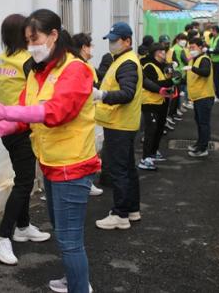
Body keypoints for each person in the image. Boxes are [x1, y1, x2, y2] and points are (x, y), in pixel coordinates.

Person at [0, 9, 99, 293]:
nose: (31, 46)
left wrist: (5, 110)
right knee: (64, 234)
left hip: (72, 166)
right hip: (51, 164)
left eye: (35, 39)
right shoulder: (38, 71)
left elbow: (57, 111)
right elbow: (24, 111)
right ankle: (73, 280)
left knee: (69, 240)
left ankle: (80, 286)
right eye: (27, 41)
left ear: (54, 35)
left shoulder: (75, 69)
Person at [0, 14, 51, 266]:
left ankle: (22, 226)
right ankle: (2, 236)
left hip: (7, 126)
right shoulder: (28, 62)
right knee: (24, 182)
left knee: (24, 177)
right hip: (23, 126)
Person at [92, 22, 142, 231]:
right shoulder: (121, 59)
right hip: (122, 123)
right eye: (110, 40)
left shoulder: (127, 63)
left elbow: (127, 93)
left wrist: (102, 95)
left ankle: (120, 214)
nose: (111, 44)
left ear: (127, 41)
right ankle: (131, 209)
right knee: (128, 168)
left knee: (118, 169)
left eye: (115, 40)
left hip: (120, 124)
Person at [73, 32, 105, 197]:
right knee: (86, 152)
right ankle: (86, 183)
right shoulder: (82, 66)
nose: (92, 48)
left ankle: (86, 182)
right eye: (90, 45)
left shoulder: (79, 64)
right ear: (83, 47)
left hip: (86, 116)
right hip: (85, 116)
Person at [138, 43, 173, 171]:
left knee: (159, 129)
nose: (165, 54)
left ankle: (153, 152)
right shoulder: (149, 66)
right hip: (150, 102)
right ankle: (145, 158)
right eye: (163, 52)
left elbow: (167, 80)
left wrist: (172, 75)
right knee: (150, 131)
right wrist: (170, 81)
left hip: (161, 101)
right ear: (157, 53)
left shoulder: (163, 65)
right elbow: (153, 84)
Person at [182, 37, 215, 158]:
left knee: (203, 123)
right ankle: (199, 143)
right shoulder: (194, 59)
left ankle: (203, 148)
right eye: (190, 47)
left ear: (200, 47)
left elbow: (205, 72)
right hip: (197, 97)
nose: (191, 50)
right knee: (199, 122)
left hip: (204, 96)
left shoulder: (204, 59)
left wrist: (192, 68)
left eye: (193, 47)